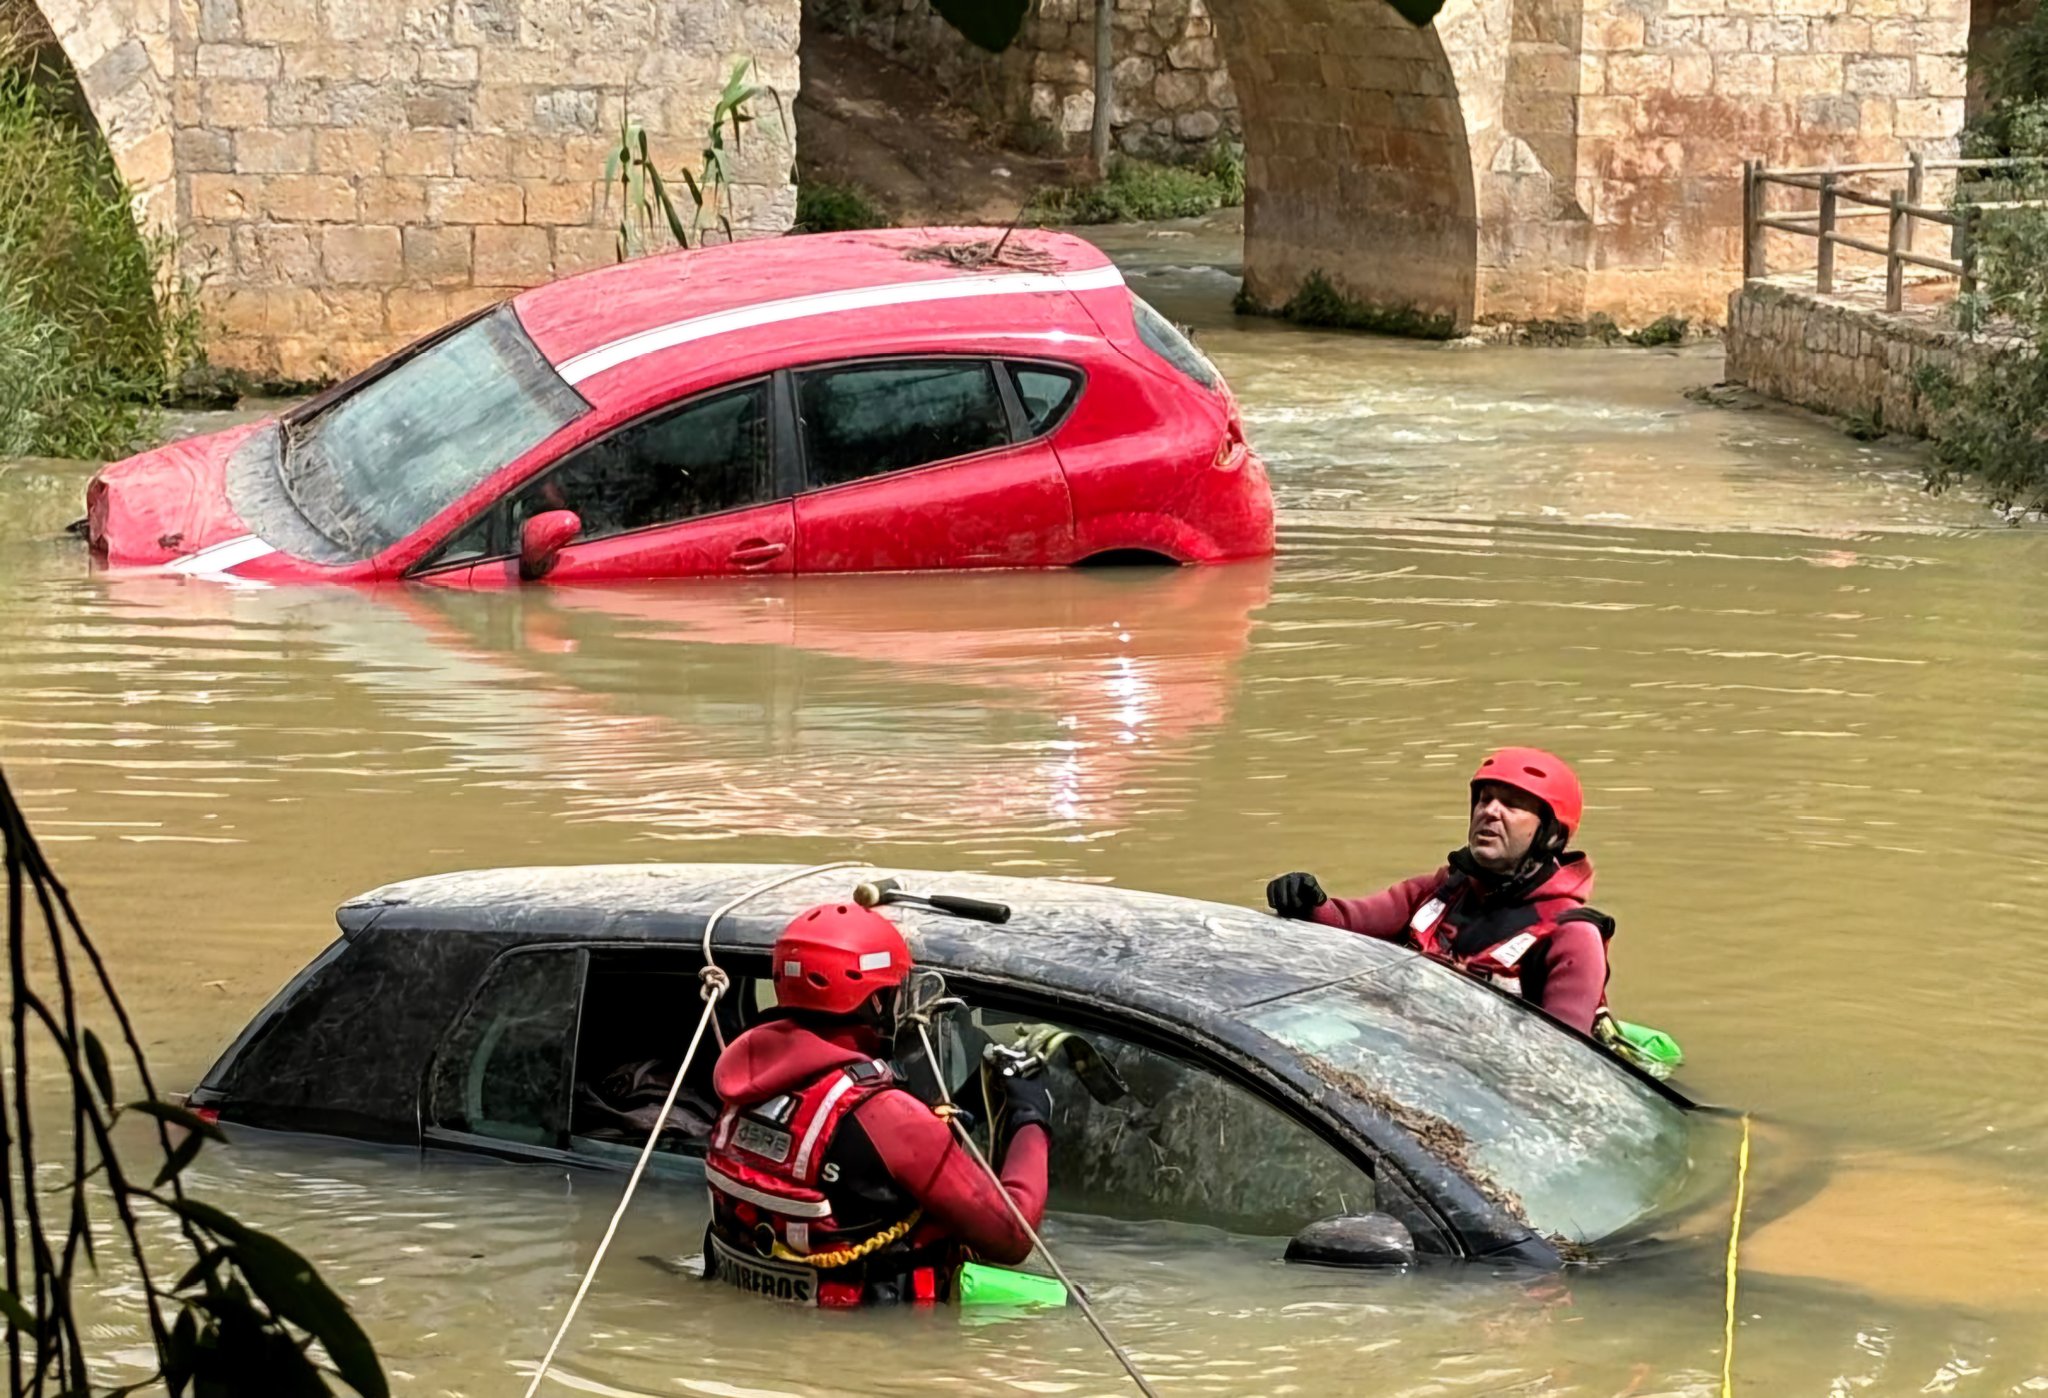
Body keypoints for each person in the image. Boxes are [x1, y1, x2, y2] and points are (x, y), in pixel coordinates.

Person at [703, 900, 1052, 1306]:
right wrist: (1031, 1120)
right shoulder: (888, 1115)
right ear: (875, 1002)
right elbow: (1012, 1238)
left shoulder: (739, 1083)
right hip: (867, 1343)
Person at [1265, 746, 1613, 1034]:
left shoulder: (1572, 936)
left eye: (1511, 804)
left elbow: (1564, 1063)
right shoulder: (1440, 891)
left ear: (1551, 834)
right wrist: (1307, 903)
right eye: (1485, 799)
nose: (1490, 811)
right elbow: (1345, 923)